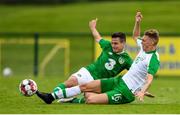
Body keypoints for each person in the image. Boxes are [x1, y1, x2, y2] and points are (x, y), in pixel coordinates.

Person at [36, 18, 133, 104]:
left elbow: (134, 73)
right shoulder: (107, 45)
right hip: (89, 71)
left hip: (101, 82)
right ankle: (51, 96)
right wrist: (93, 28)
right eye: (112, 43)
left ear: (123, 43)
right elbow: (98, 38)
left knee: (89, 98)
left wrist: (139, 88)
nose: (113, 45)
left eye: (116, 43)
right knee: (71, 81)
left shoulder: (126, 59)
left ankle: (72, 100)